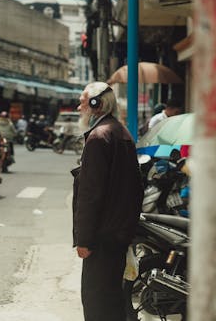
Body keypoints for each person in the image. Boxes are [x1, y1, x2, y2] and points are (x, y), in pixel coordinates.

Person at [72, 81, 144, 321]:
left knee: (96, 302)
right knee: (112, 299)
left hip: (101, 238)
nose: (79, 107)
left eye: (83, 101)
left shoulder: (98, 138)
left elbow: (90, 195)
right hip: (117, 235)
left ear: (96, 104)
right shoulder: (121, 132)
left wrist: (83, 240)